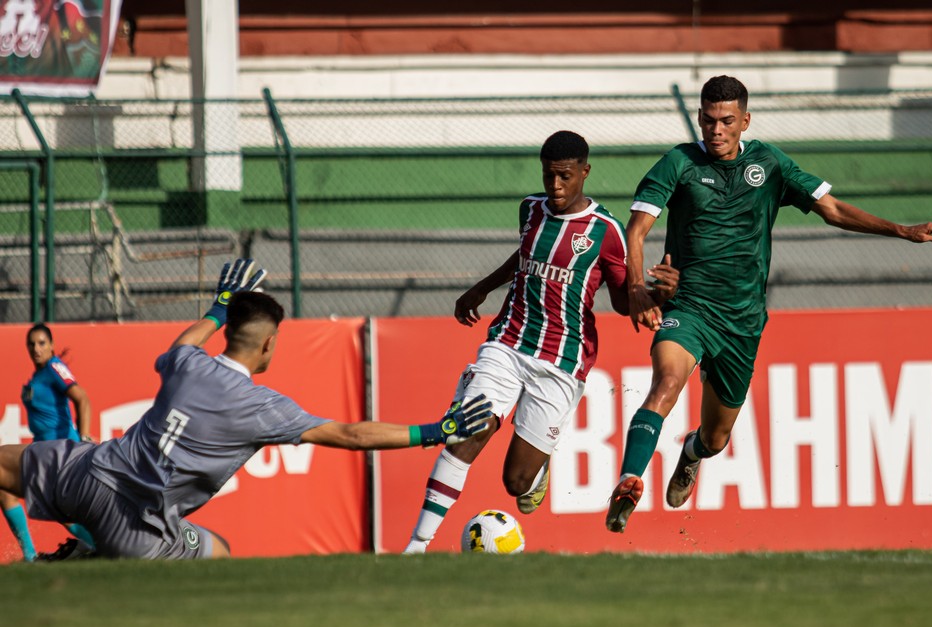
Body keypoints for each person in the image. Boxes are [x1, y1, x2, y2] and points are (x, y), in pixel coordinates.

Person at [605, 75, 932, 533]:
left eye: (727, 121)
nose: (716, 130)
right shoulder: (679, 162)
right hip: (689, 308)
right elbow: (637, 229)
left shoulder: (769, 164)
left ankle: (691, 453)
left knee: (716, 436)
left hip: (743, 321)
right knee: (667, 382)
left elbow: (835, 211)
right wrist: (636, 288)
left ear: (745, 120)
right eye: (708, 120)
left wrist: (903, 230)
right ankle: (629, 480)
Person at [0, 259, 493, 560]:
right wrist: (437, 430)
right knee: (219, 554)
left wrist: (219, 305)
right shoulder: (263, 407)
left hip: (89, 471)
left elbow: (182, 342)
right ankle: (91, 557)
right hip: (139, 525)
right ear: (268, 346)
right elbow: (352, 435)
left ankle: (82, 552)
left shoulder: (186, 364)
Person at [404, 130, 679, 554]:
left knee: (515, 482)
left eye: (565, 177)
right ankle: (416, 547)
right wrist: (482, 288)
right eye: (549, 175)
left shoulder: (605, 231)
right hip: (508, 342)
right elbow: (526, 254)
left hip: (562, 360)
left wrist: (659, 295)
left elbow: (625, 302)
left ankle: (537, 468)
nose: (555, 186)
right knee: (466, 434)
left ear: (584, 173)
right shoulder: (530, 209)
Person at [1, 324, 97, 561]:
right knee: (8, 491)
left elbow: (82, 398)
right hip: (42, 452)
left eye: (42, 343)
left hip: (58, 452)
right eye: (31, 344)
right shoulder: (38, 375)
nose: (36, 348)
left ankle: (96, 548)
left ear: (52, 346)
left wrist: (83, 440)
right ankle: (32, 555)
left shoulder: (55, 367)